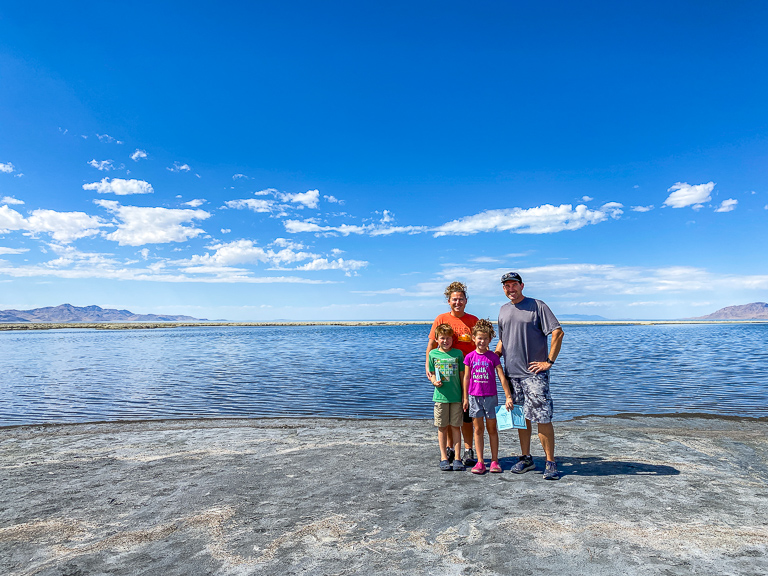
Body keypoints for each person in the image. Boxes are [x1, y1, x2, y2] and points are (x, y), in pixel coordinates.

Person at [495, 272, 564, 480]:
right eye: (506, 286)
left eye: (514, 285)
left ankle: (550, 462)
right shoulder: (503, 310)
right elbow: (503, 340)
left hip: (534, 375)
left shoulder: (537, 306)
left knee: (542, 417)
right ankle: (526, 458)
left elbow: (558, 332)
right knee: (521, 418)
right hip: (512, 375)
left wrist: (549, 362)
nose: (511, 289)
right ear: (503, 289)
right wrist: (494, 356)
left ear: (522, 286)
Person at [426, 281, 479, 466]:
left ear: (466, 300)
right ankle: (449, 449)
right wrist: (428, 368)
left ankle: (468, 450)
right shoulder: (441, 319)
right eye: (454, 299)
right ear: (448, 301)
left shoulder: (473, 320)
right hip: (446, 375)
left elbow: (481, 344)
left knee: (466, 414)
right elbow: (431, 345)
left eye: (461, 299)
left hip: (468, 373)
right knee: (448, 415)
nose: (458, 302)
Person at [462, 319, 513, 474]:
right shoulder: (469, 357)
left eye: (485, 338)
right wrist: (465, 398)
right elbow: (466, 378)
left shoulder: (493, 357)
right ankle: (480, 461)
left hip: (491, 397)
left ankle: (494, 460)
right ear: (473, 338)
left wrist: (508, 396)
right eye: (479, 338)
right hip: (474, 397)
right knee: (478, 429)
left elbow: (502, 377)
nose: (482, 341)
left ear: (490, 339)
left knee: (492, 428)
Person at [427, 324, 466, 471]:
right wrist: (434, 381)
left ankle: (457, 458)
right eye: (442, 338)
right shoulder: (433, 354)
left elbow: (463, 376)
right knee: (442, 427)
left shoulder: (458, 354)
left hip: (456, 397)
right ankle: (444, 457)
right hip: (440, 397)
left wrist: (464, 396)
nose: (445, 341)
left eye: (448, 338)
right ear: (437, 339)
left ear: (452, 339)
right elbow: (431, 374)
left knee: (456, 427)